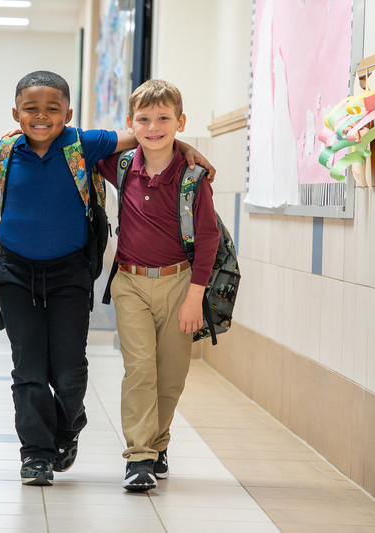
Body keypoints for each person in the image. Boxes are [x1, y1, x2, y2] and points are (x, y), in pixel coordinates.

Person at [0, 70, 213, 486]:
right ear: (16, 113)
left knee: (70, 372)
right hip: (17, 273)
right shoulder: (6, 149)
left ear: (68, 113)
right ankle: (36, 454)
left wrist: (183, 147)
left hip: (70, 274)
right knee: (29, 369)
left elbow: (143, 137)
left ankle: (68, 424)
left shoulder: (83, 144)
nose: (41, 117)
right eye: (31, 109)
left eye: (52, 109)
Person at [95, 79, 220, 491]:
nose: (153, 127)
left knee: (171, 375)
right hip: (129, 282)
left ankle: (157, 441)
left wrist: (195, 297)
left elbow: (208, 239)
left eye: (164, 119)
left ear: (180, 121)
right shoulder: (120, 165)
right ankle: (140, 456)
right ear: (131, 124)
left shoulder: (193, 178)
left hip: (180, 284)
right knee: (140, 371)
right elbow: (74, 147)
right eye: (144, 120)